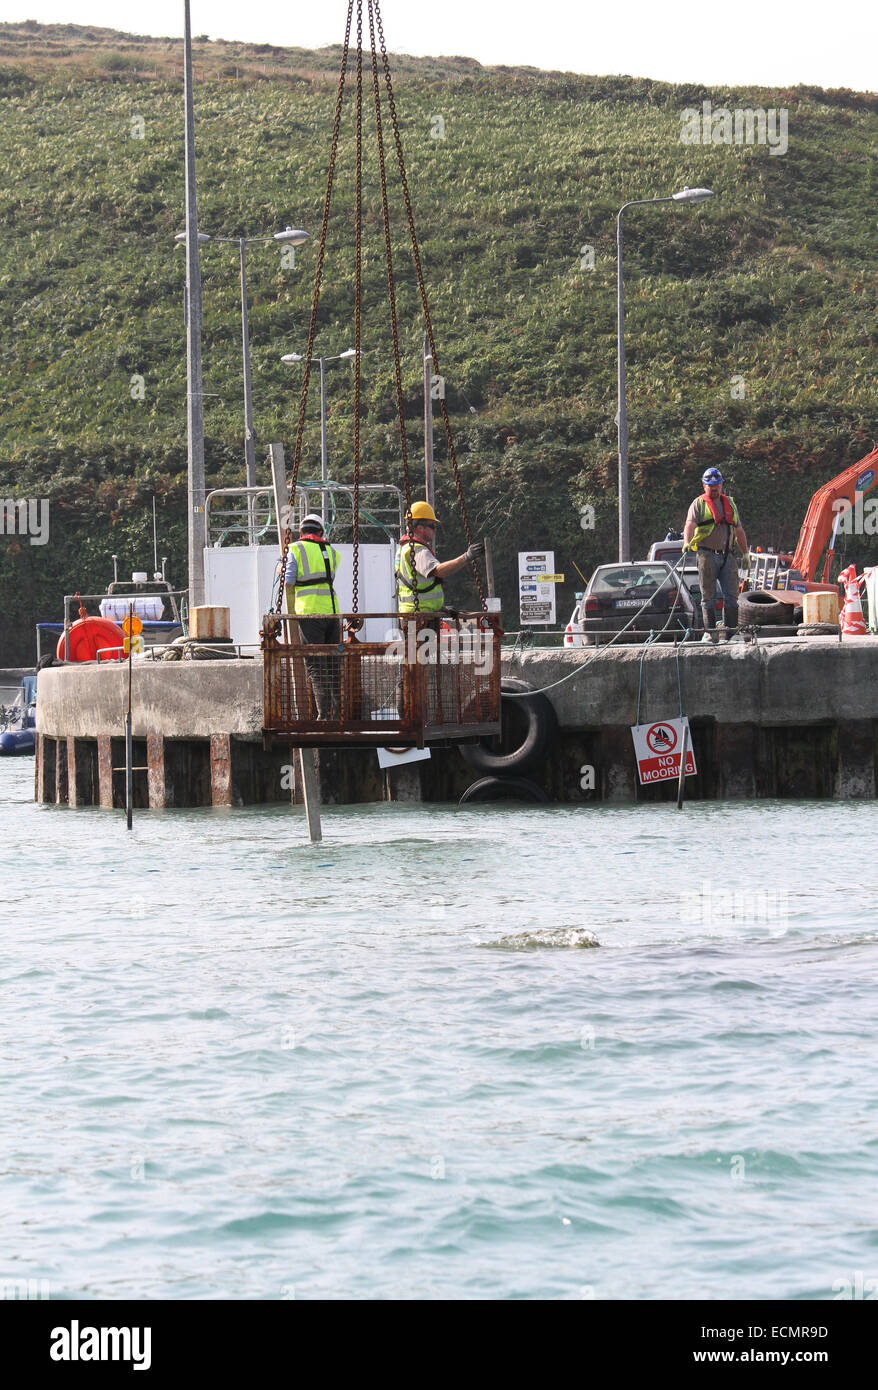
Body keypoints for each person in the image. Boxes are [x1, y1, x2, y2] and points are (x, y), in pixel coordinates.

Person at [284, 513, 342, 719]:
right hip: (333, 614)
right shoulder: (332, 552)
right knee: (334, 663)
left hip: (309, 614)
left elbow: (289, 582)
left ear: (301, 532)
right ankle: (338, 714)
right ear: (321, 532)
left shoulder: (295, 549)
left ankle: (323, 715)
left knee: (316, 665)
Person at [683, 467, 748, 641]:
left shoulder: (730, 504)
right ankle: (710, 633)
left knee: (732, 597)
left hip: (728, 556)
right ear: (704, 486)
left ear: (721, 485)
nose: (714, 488)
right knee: (708, 597)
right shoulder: (698, 504)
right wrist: (686, 542)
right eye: (710, 485)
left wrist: (746, 553)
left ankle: (731, 634)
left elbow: (739, 530)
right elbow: (690, 524)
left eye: (717, 485)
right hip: (707, 555)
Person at [394, 501, 484, 618]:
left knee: (415, 637)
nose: (435, 530)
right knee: (416, 637)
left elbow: (419, 587)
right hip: (419, 617)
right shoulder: (416, 549)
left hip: (417, 615)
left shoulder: (404, 547)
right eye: (432, 526)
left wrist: (441, 608)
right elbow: (439, 571)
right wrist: (466, 557)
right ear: (420, 528)